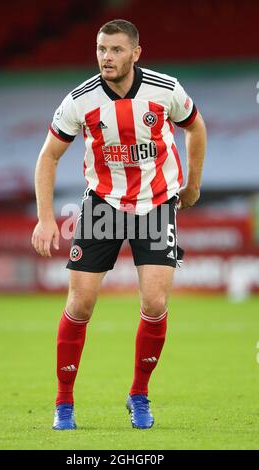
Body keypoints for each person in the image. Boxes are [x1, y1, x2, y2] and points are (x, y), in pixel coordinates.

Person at [32, 19, 206, 430]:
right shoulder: (80, 101)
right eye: (100, 49)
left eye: (115, 50)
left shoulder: (166, 89)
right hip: (102, 205)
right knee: (81, 304)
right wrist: (44, 219)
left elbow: (195, 127)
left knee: (156, 303)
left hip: (157, 203)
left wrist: (193, 184)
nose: (106, 57)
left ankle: (139, 395)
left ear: (135, 53)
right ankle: (64, 403)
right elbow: (48, 157)